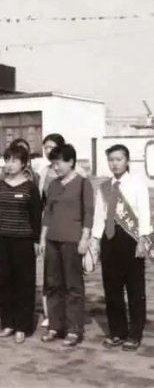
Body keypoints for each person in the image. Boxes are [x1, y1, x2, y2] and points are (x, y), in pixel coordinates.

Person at [92, 144, 151, 351]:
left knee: (135, 289)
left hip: (131, 240)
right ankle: (117, 332)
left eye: (118, 159)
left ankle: (135, 334)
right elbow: (99, 216)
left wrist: (143, 240)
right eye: (111, 160)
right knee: (112, 289)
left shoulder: (137, 184)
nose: (114, 163)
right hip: (109, 240)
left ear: (127, 161)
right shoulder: (104, 187)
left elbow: (144, 213)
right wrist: (95, 241)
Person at [39, 143, 93, 347]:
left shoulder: (83, 183)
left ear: (71, 162)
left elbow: (88, 212)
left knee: (73, 286)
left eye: (59, 163)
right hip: (52, 239)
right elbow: (48, 213)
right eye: (53, 164)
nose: (56, 167)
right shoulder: (53, 184)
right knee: (53, 284)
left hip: (73, 240)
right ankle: (55, 326)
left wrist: (85, 238)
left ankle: (73, 329)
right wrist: (43, 238)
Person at [0, 144, 42, 343]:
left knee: (24, 283)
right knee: (5, 282)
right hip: (3, 240)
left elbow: (36, 215)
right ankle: (8, 323)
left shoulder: (30, 187)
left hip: (24, 241)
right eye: (7, 160)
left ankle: (23, 326)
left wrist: (36, 240)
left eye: (15, 160)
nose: (10, 164)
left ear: (23, 164)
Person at [37, 133, 66, 329]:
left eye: (52, 147)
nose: (48, 150)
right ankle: (50, 313)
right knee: (50, 271)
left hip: (68, 224)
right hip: (48, 224)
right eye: (46, 147)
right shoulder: (43, 171)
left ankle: (68, 312)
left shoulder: (74, 171)